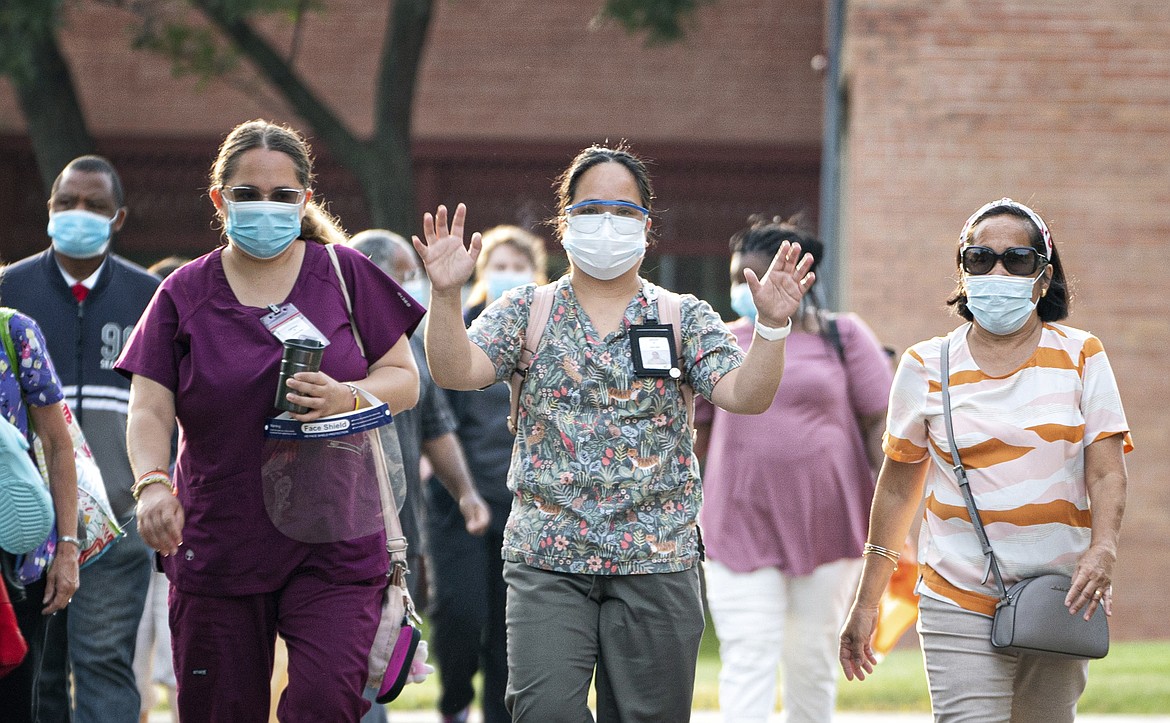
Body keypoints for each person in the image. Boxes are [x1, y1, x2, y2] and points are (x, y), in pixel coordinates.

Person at [412, 143, 816, 722]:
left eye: (624, 212)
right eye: (591, 208)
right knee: (543, 710)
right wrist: (447, 296)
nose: (608, 223)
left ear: (648, 228)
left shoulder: (683, 316)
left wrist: (773, 329)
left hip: (657, 562)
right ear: (564, 222)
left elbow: (745, 396)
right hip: (548, 559)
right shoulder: (529, 310)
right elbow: (456, 370)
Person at [115, 119, 425, 722]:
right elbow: (150, 406)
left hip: (335, 538)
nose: (266, 207)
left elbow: (405, 380)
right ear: (219, 199)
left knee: (324, 704)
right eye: (247, 194)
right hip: (219, 538)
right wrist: (152, 484)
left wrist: (347, 394)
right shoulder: (183, 292)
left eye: (283, 195)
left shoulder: (344, 273)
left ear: (305, 198)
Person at [839, 198, 1132, 722]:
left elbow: (1107, 469)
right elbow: (899, 487)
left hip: (1061, 594)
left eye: (1017, 259)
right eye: (980, 258)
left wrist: (1104, 549)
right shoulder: (925, 365)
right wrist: (868, 603)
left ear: (1043, 278)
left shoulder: (1082, 354)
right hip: (956, 592)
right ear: (962, 271)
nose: (998, 271)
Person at [695, 216, 893, 722]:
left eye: (757, 277)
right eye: (739, 277)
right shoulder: (719, 340)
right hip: (737, 524)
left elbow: (879, 427)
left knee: (812, 660)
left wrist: (891, 518)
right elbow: (695, 434)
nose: (747, 289)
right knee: (748, 654)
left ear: (801, 279)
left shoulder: (843, 336)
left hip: (828, 524)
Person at [0, 154, 159, 723]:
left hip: (119, 525)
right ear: (49, 210)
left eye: (94, 206)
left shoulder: (150, 297)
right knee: (34, 671)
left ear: (118, 219)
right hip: (24, 524)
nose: (79, 214)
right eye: (67, 203)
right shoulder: (9, 294)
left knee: (106, 666)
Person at [348, 228, 491, 723]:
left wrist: (467, 493)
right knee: (348, 676)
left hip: (397, 539)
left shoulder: (412, 344)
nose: (415, 287)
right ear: (367, 272)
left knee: (374, 671)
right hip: (337, 532)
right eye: (406, 275)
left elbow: (436, 428)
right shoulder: (337, 337)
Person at [427, 224, 550, 723]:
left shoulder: (545, 333)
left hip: (523, 505)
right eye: (498, 267)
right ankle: (455, 701)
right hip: (458, 499)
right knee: (459, 611)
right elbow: (441, 414)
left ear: (536, 273)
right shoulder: (463, 331)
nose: (508, 276)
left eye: (518, 267)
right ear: (481, 273)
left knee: (509, 628)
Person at [0, 306, 80, 721]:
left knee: (14, 703)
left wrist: (67, 548)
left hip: (15, 556)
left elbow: (57, 442)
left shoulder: (14, 332)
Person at [130, 256, 188, 723]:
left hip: (185, 521)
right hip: (146, 506)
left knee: (173, 639)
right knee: (136, 641)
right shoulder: (146, 359)